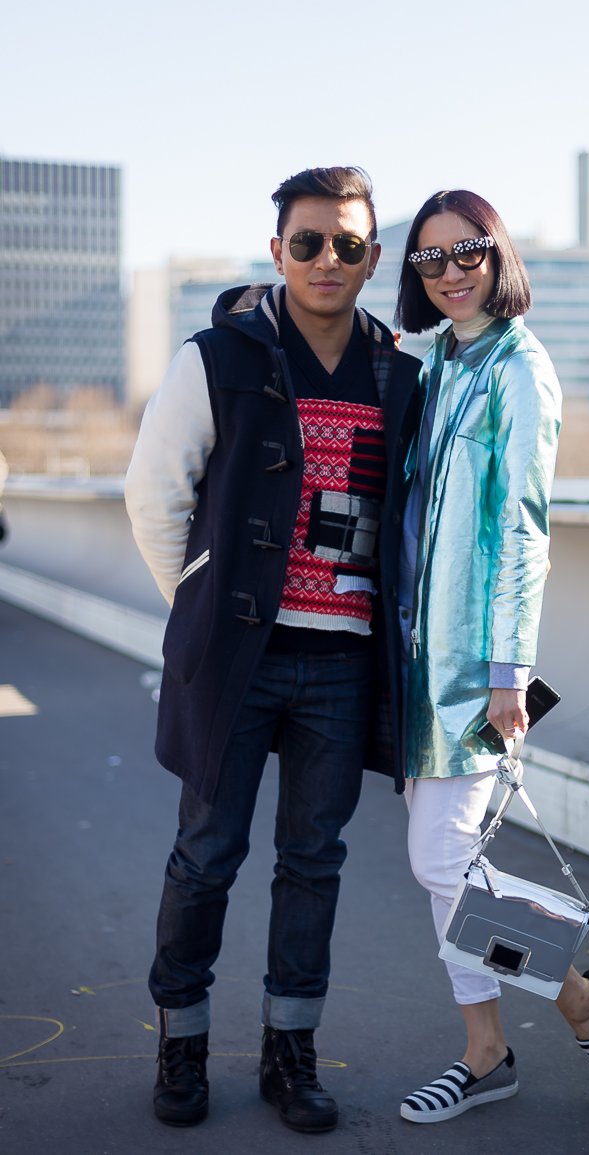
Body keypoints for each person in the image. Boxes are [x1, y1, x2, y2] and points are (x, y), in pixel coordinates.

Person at [124, 166, 420, 1133]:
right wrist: (209, 615)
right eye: (308, 241)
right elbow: (155, 496)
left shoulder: (401, 376)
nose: (326, 259)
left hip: (342, 664)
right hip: (239, 664)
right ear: (277, 249)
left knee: (313, 862)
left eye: (347, 245)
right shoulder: (217, 357)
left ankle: (290, 1053)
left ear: (374, 258)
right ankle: (182, 1042)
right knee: (205, 855)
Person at [393, 189, 589, 1124]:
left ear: (500, 256)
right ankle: (486, 1050)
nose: (452, 271)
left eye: (469, 252)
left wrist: (506, 674)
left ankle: (584, 1005)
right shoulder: (440, 364)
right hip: (418, 664)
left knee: (444, 857)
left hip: (471, 671)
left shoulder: (520, 370)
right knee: (442, 865)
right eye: (431, 259)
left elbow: (523, 530)